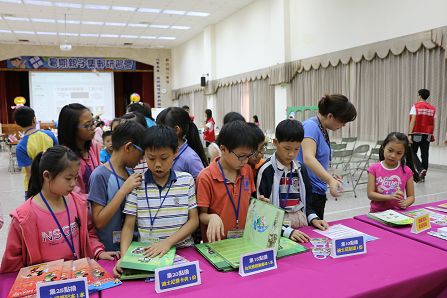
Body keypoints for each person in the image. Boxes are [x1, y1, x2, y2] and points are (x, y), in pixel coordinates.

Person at [0, 146, 118, 273]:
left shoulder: (78, 204)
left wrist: (98, 251)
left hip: (78, 277)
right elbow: (12, 264)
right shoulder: (24, 217)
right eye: (68, 178)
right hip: (45, 284)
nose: (73, 183)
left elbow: (88, 233)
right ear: (47, 176)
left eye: (75, 178)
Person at [113, 126, 199, 277]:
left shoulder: (186, 180)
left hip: (183, 250)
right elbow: (128, 226)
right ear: (144, 155)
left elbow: (193, 221)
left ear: (175, 153)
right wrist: (124, 258)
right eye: (151, 158)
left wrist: (168, 242)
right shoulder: (136, 184)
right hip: (148, 253)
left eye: (164, 158)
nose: (157, 164)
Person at [257, 120, 328, 243]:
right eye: (287, 148)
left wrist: (313, 218)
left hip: (301, 222)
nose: (291, 154)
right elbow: (261, 210)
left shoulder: (301, 169)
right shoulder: (266, 171)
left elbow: (307, 202)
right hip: (276, 228)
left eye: (296, 149)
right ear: (275, 143)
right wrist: (287, 231)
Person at [297, 94, 357, 219]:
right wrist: (330, 180)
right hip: (309, 192)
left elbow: (317, 159)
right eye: (342, 121)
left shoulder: (321, 128)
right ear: (330, 116)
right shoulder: (311, 126)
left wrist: (330, 175)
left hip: (317, 191)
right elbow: (308, 158)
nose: (343, 125)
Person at [197, 121, 257, 242]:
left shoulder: (247, 171)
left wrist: (259, 204)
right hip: (217, 244)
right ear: (223, 149)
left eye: (248, 156)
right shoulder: (206, 177)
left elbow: (248, 200)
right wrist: (211, 217)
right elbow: (200, 215)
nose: (245, 161)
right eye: (241, 156)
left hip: (244, 240)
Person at [89, 121, 145, 251]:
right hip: (109, 252)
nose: (141, 160)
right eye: (141, 154)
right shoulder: (100, 175)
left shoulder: (131, 174)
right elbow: (99, 222)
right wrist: (123, 190)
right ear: (128, 147)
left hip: (132, 249)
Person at [13, 106, 58, 198]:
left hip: (34, 187)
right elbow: (59, 155)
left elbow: (29, 172)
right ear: (34, 119)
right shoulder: (49, 134)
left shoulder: (21, 146)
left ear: (17, 123)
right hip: (54, 181)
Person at [367, 132, 418, 212]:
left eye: (399, 153)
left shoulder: (407, 171)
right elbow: (370, 194)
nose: (393, 155)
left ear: (404, 154)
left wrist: (406, 202)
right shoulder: (374, 168)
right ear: (384, 147)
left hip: (398, 213)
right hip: (377, 212)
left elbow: (411, 196)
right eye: (390, 150)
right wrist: (390, 197)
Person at [58, 103, 101, 195]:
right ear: (72, 128)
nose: (93, 128)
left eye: (93, 123)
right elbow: (73, 195)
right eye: (87, 125)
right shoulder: (65, 157)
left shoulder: (93, 145)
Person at [156, 107, 208, 179]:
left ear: (176, 130)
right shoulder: (165, 151)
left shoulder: (191, 158)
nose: (158, 133)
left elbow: (201, 185)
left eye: (162, 129)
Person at [408, 89, 436, 181]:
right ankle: (422, 176)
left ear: (420, 95)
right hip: (427, 134)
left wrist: (409, 134)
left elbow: (413, 121)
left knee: (411, 152)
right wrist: (431, 134)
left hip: (417, 133)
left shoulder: (415, 106)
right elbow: (433, 123)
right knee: (425, 154)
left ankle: (420, 169)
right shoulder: (432, 108)